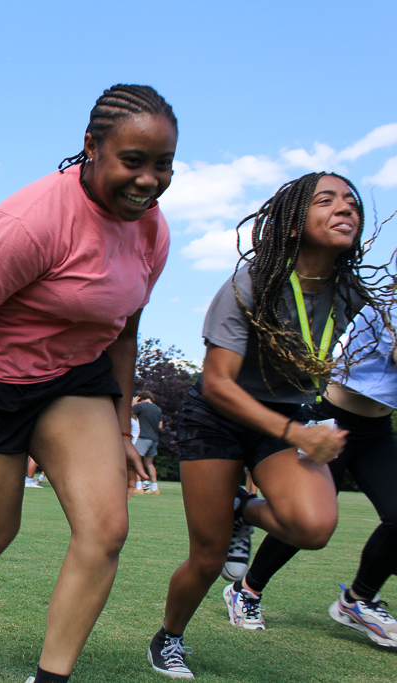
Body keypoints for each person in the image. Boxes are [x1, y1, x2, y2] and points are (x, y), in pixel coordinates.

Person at [0, 84, 176, 683]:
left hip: (75, 378)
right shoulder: (32, 220)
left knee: (106, 529)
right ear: (91, 148)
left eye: (163, 164)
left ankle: (50, 678)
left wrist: (122, 427)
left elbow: (124, 333)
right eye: (133, 161)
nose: (148, 180)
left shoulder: (152, 231)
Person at [148, 172, 387, 678]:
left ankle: (241, 508)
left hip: (284, 415)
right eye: (326, 200)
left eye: (352, 202)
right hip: (216, 415)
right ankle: (168, 638)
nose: (346, 208)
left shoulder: (350, 293)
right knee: (210, 558)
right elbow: (217, 385)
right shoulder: (249, 283)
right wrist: (299, 435)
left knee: (313, 526)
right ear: (293, 225)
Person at [224, 305, 396, 646]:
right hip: (328, 420)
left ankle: (358, 601)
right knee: (306, 519)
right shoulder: (389, 296)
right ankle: (246, 589)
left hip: (377, 430)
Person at [132, 390, 163, 493]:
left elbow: (130, 412)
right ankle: (155, 488)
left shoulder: (141, 406)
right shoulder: (158, 409)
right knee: (149, 464)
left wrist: (134, 403)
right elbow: (160, 426)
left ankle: (139, 487)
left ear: (141, 399)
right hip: (154, 439)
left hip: (144, 437)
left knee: (136, 461)